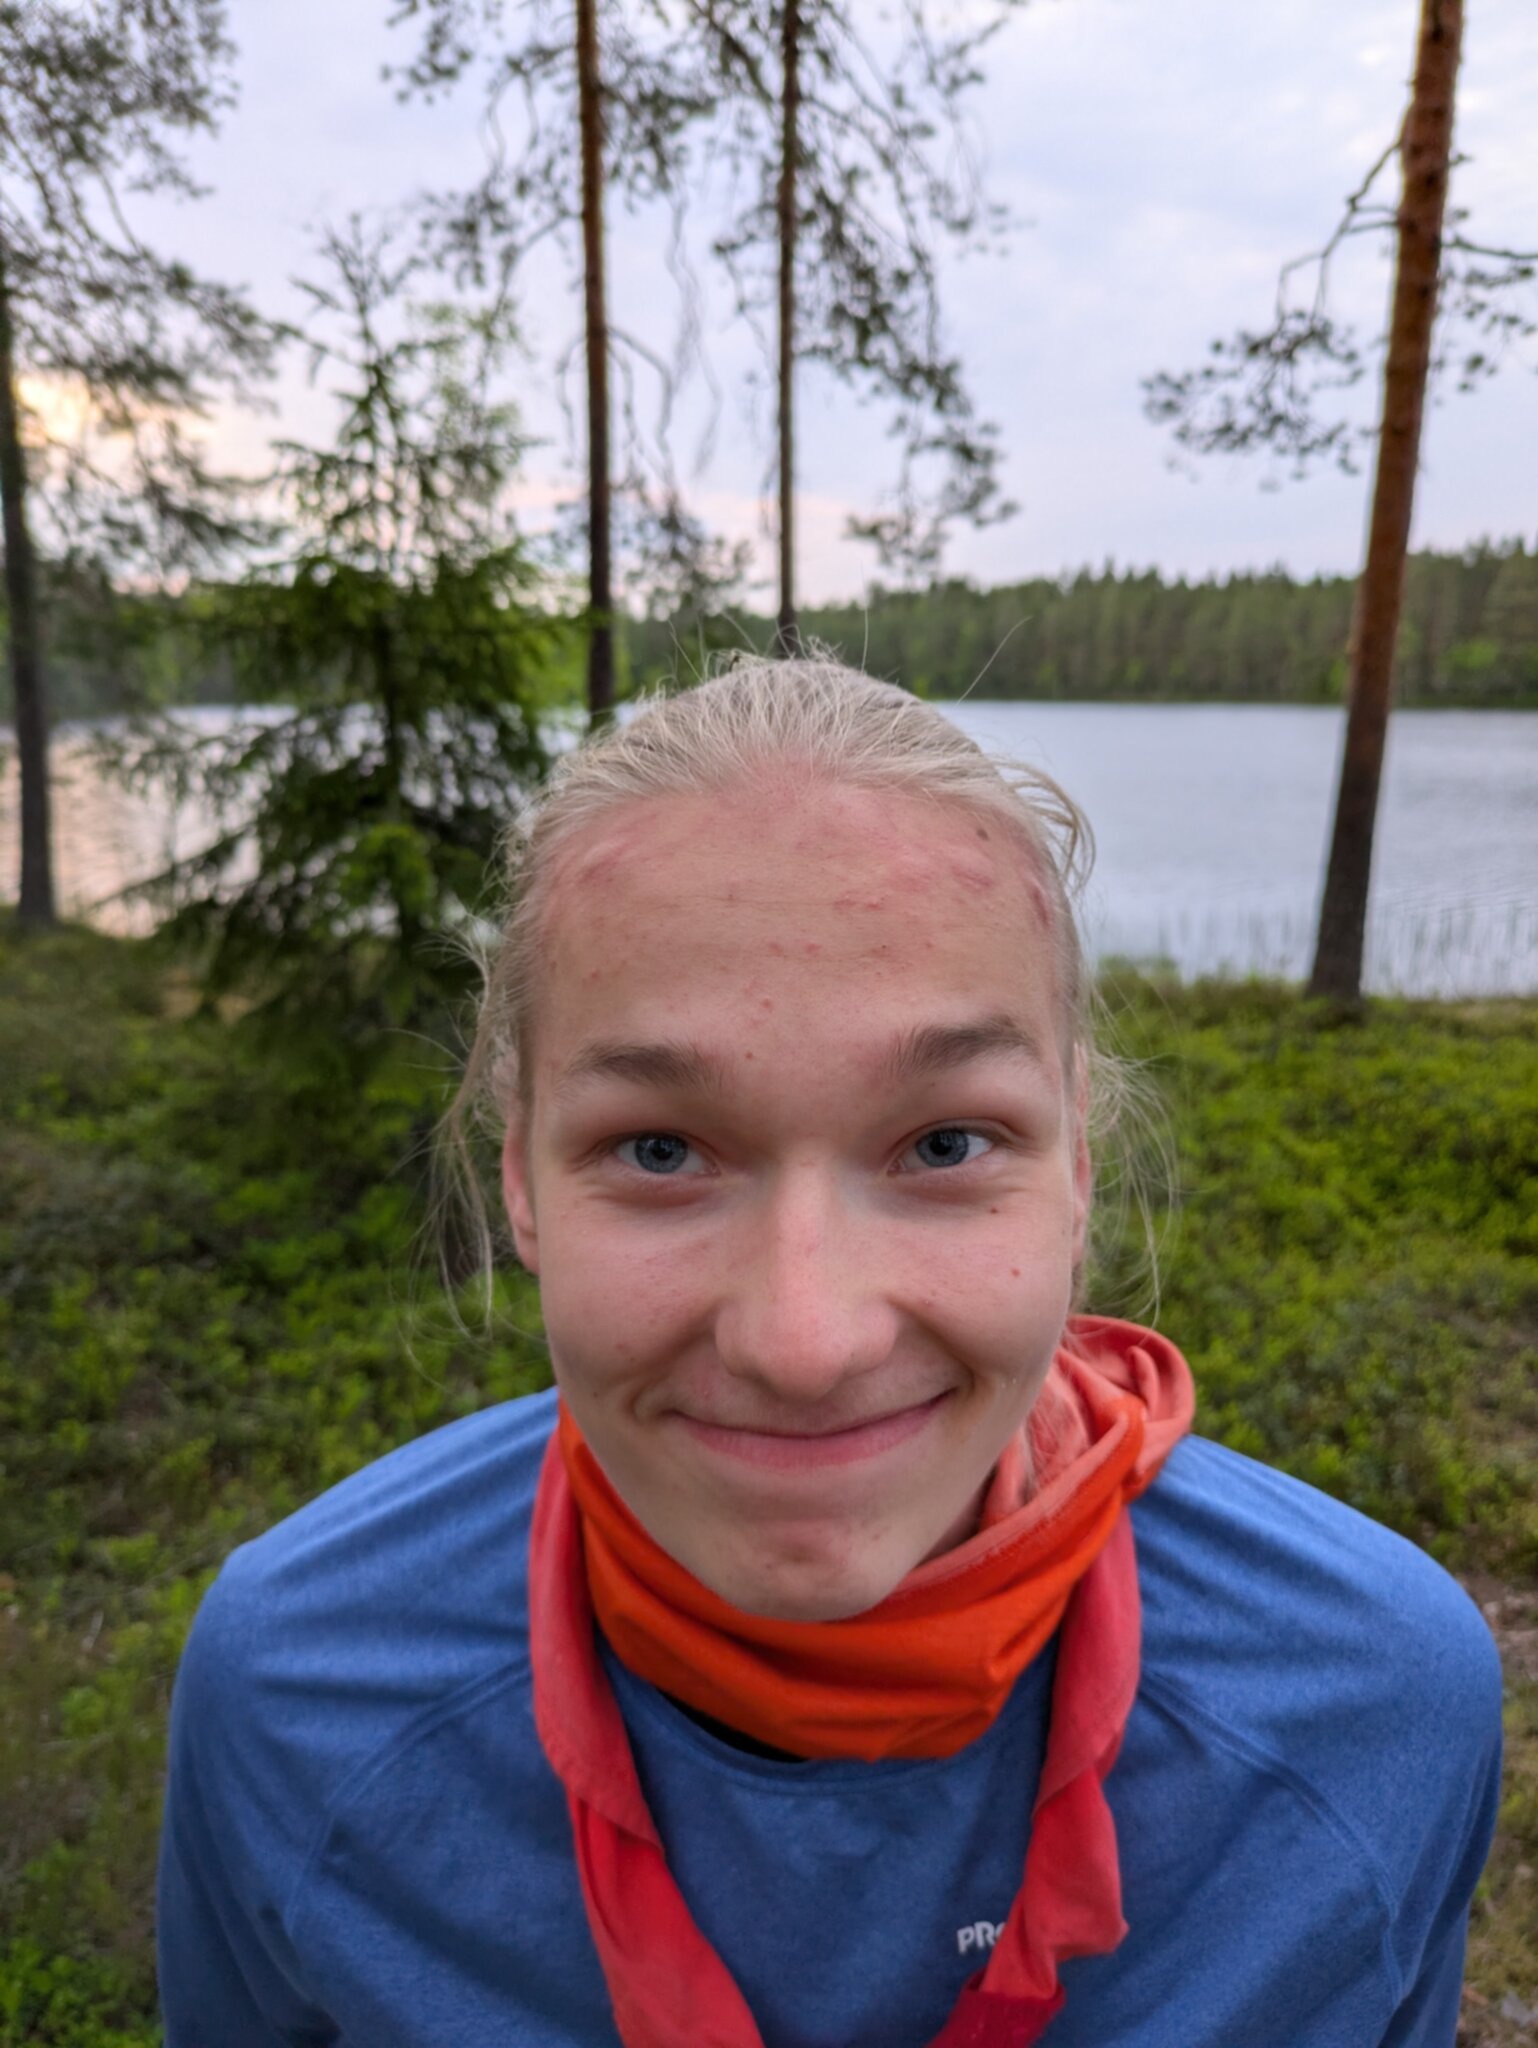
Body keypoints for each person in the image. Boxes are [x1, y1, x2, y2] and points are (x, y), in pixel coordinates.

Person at [158, 657, 1503, 2048]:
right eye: (659, 1151)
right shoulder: (298, 1695)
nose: (804, 1345)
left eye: (944, 1144)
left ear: (1076, 1175)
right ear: (522, 1186)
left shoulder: (1374, 1708)